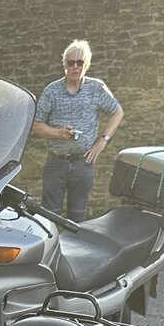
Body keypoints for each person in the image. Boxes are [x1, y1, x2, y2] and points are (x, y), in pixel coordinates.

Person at [31, 40, 123, 223]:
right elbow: (36, 125)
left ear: (86, 64)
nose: (75, 67)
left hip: (83, 162)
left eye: (79, 63)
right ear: (65, 65)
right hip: (56, 162)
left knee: (78, 218)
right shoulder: (51, 91)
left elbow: (117, 112)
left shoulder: (96, 88)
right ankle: (51, 243)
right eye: (71, 63)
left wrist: (103, 140)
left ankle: (73, 243)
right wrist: (58, 133)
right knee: (48, 217)